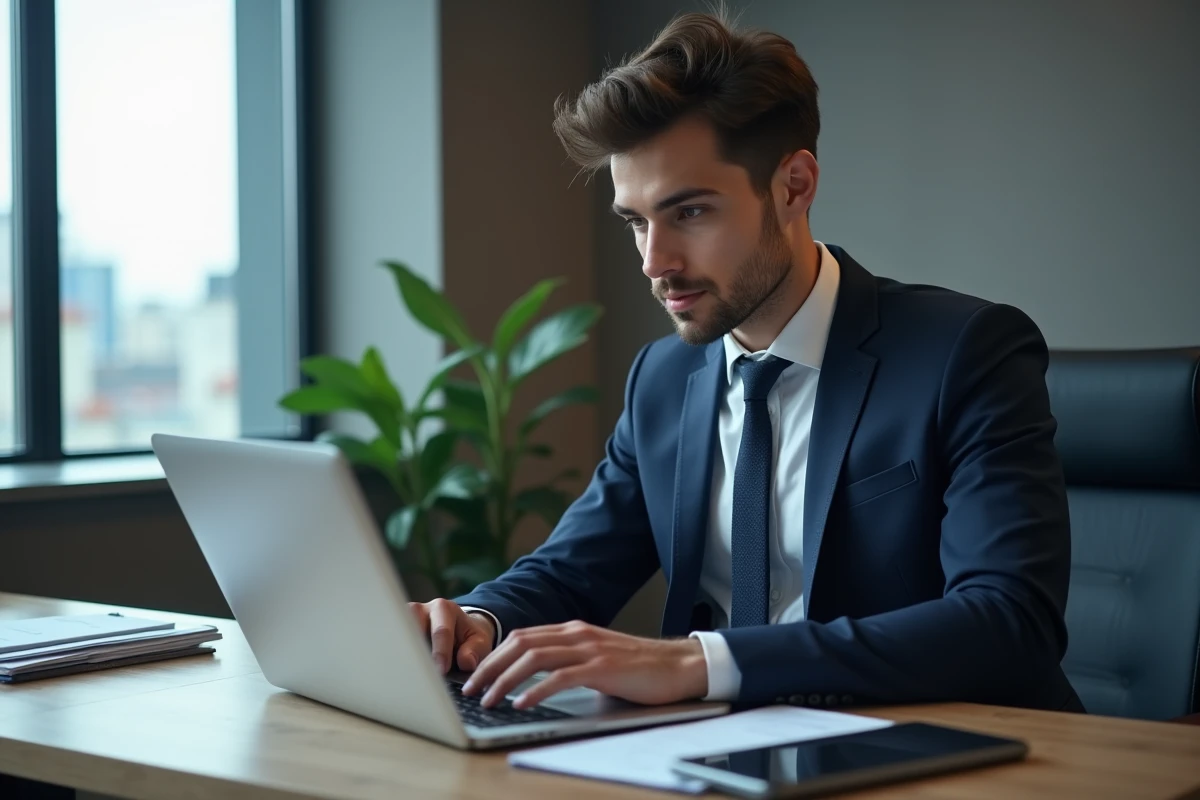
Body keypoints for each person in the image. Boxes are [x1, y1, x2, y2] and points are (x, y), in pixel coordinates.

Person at [408, 9, 1084, 715]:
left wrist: (700, 663)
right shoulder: (662, 380)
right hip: (723, 754)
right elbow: (571, 571)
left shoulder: (966, 352)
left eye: (690, 213)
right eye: (637, 221)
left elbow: (1010, 622)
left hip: (953, 752)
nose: (654, 262)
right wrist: (472, 621)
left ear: (793, 186)